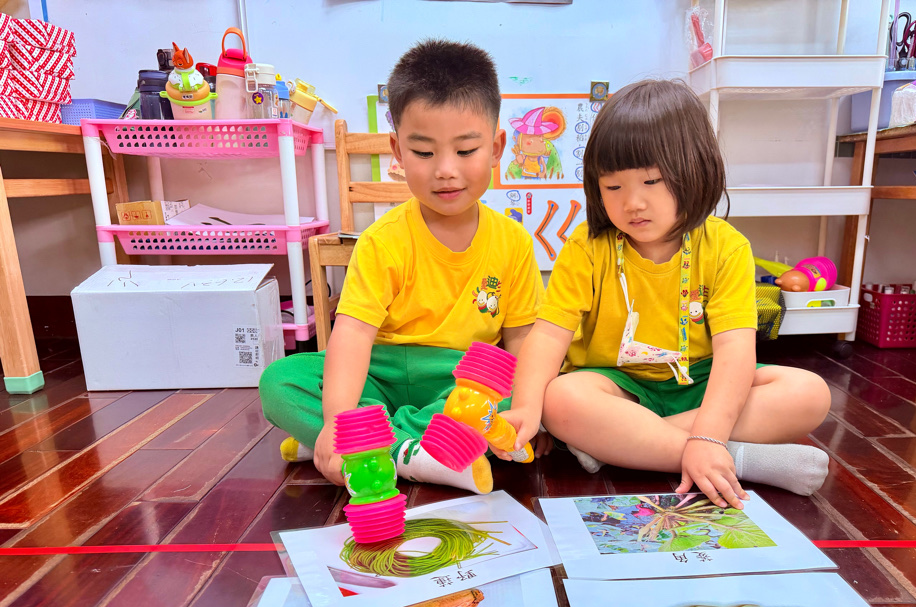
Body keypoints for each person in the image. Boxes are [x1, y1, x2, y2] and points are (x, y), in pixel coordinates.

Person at [501, 79, 831, 508]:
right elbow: (547, 336)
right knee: (561, 399)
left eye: (651, 181)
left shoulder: (727, 247)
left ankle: (626, 444)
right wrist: (527, 407)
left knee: (809, 393)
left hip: (702, 385)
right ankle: (739, 459)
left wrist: (708, 432)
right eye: (613, 187)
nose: (632, 203)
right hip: (617, 388)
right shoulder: (587, 246)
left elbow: (735, 352)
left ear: (695, 170)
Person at [259, 39, 546, 493]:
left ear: (496, 148)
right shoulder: (382, 240)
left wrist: (528, 407)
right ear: (397, 150)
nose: (445, 170)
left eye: (466, 151)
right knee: (281, 381)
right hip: (381, 375)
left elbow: (523, 339)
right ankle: (415, 451)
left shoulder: (513, 242)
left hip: (460, 386)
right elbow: (353, 334)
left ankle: (371, 448)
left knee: (520, 390)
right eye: (424, 153)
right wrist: (337, 418)